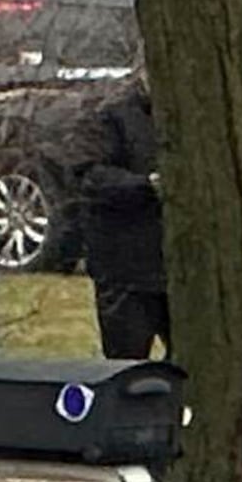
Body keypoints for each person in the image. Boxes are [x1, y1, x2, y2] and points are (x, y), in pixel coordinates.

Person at [69, 77, 168, 363]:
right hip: (125, 271)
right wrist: (145, 185)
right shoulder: (111, 116)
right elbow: (89, 177)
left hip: (177, 269)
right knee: (125, 365)